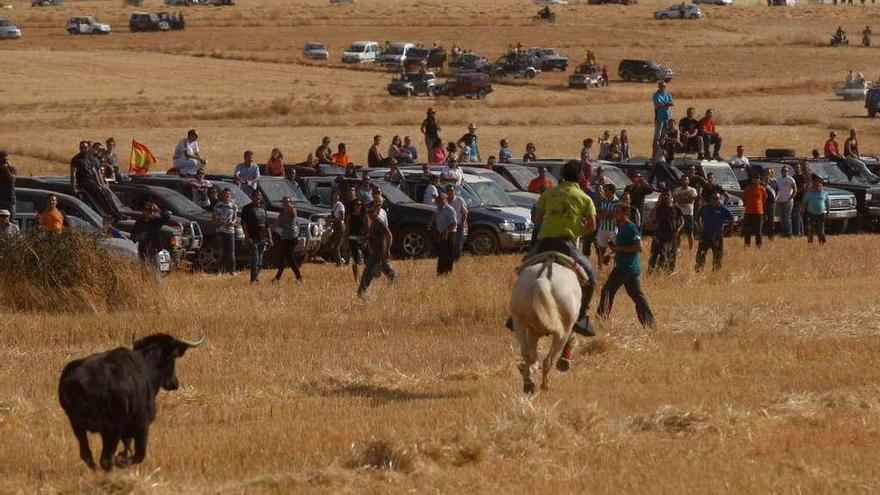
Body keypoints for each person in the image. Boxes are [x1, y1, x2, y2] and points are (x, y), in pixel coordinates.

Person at [507, 160, 597, 336]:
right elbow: (592, 226)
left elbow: (537, 220)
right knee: (591, 277)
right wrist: (575, 229)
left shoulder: (548, 193)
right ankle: (581, 317)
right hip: (566, 244)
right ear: (580, 177)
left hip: (544, 242)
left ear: (562, 176)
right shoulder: (585, 198)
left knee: (522, 269)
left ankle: (514, 315)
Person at [597, 203, 655, 328]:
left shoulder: (630, 227)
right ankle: (650, 323)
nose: (614, 214)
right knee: (637, 296)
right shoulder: (621, 227)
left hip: (625, 267)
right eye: (614, 211)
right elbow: (623, 248)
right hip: (629, 268)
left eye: (617, 211)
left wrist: (617, 248)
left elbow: (639, 247)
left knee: (607, 290)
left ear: (625, 214)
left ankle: (601, 320)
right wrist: (611, 254)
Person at [357, 200, 396, 297]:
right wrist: (366, 239)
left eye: (370, 212)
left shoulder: (379, 222)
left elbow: (389, 235)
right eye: (368, 212)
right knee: (387, 271)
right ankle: (397, 285)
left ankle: (361, 291)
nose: (369, 214)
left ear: (375, 211)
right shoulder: (372, 223)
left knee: (368, 272)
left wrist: (388, 250)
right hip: (375, 252)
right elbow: (373, 237)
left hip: (380, 252)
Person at [70, 141, 118, 219]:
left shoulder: (89, 159)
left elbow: (95, 172)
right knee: (98, 192)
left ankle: (116, 212)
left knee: (106, 193)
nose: (83, 149)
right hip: (83, 182)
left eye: (85, 147)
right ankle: (109, 213)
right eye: (82, 147)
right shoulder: (76, 159)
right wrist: (73, 188)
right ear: (79, 148)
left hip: (92, 181)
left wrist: (100, 183)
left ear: (88, 148)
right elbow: (73, 175)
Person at [695, 193, 734, 272]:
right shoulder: (706, 207)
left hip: (717, 235)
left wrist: (725, 231)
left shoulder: (722, 209)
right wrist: (700, 226)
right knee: (701, 254)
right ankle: (699, 270)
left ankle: (715, 273)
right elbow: (698, 216)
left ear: (720, 199)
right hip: (705, 234)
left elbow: (732, 219)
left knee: (717, 255)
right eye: (713, 198)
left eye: (717, 198)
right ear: (710, 199)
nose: (715, 200)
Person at [131, 202, 170, 278]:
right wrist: (139, 236)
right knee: (144, 273)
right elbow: (132, 236)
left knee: (156, 273)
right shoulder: (139, 222)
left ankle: (156, 288)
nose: (150, 212)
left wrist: (158, 209)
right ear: (144, 211)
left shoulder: (157, 221)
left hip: (156, 251)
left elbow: (167, 216)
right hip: (143, 252)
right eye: (147, 210)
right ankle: (146, 287)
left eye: (152, 210)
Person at [647, 190, 683, 274]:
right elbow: (651, 217)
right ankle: (651, 272)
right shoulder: (659, 207)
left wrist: (678, 229)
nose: (666, 197)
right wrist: (658, 203)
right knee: (655, 255)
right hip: (659, 236)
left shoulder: (675, 208)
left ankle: (668, 274)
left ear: (671, 197)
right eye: (664, 195)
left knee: (671, 255)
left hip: (671, 237)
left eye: (668, 195)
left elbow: (682, 221)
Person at [241, 190, 272, 284]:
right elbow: (244, 223)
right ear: (252, 197)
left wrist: (270, 237)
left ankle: (255, 277)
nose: (258, 197)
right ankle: (253, 279)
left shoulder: (263, 208)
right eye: (256, 196)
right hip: (252, 237)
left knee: (260, 262)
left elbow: (267, 224)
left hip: (262, 237)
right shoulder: (247, 208)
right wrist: (247, 236)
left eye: (259, 195)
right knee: (255, 259)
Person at [272, 196, 303, 283]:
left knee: (290, 258)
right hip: (285, 238)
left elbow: (292, 211)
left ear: (290, 203)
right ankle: (277, 278)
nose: (285, 204)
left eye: (287, 202)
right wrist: (269, 229)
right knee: (282, 258)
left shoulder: (292, 211)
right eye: (283, 202)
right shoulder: (282, 214)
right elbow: (276, 224)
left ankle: (299, 277)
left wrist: (289, 205)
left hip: (292, 238)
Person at [212, 188, 238, 275]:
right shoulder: (217, 206)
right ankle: (218, 270)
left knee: (231, 253)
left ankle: (232, 270)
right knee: (221, 252)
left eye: (228, 194)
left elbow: (235, 218)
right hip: (220, 231)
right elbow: (213, 218)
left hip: (230, 231)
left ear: (230, 195)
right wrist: (218, 223)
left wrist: (232, 223)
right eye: (225, 194)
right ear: (222, 195)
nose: (227, 195)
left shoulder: (233, 206)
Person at [432, 192, 458, 275]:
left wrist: (447, 232)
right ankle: (440, 272)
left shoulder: (450, 209)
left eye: (440, 200)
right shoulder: (438, 208)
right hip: (441, 233)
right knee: (441, 253)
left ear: (445, 200)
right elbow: (436, 216)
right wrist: (430, 222)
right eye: (437, 200)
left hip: (449, 234)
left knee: (448, 253)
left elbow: (454, 223)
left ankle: (448, 272)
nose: (437, 202)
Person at [802, 176, 830, 244]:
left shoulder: (825, 194)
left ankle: (822, 242)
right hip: (811, 213)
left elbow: (827, 204)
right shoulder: (809, 193)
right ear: (814, 186)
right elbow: (804, 202)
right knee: (811, 229)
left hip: (821, 214)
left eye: (820, 186)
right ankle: (810, 242)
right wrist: (802, 211)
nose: (818, 187)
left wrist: (828, 213)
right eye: (817, 185)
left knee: (821, 230)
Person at [595, 183, 618, 267]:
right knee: (601, 250)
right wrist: (607, 214)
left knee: (616, 249)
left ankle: (615, 266)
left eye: (606, 190)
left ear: (611, 191)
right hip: (602, 228)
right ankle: (600, 268)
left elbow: (613, 216)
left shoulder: (617, 201)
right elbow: (598, 214)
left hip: (612, 229)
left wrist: (604, 214)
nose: (604, 192)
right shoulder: (603, 201)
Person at [673, 176, 698, 249]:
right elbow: (675, 200)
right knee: (678, 232)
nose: (684, 181)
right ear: (681, 181)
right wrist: (686, 199)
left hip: (688, 213)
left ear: (688, 181)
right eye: (683, 180)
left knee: (690, 232)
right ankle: (677, 248)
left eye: (686, 180)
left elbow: (691, 200)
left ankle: (691, 248)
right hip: (679, 213)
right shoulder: (677, 190)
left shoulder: (692, 190)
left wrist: (681, 199)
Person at [346, 198, 367, 282]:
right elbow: (347, 227)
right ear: (353, 206)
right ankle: (356, 279)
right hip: (352, 239)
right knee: (354, 261)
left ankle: (364, 277)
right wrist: (345, 238)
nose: (358, 206)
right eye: (356, 204)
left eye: (359, 204)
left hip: (362, 239)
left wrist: (366, 240)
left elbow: (367, 228)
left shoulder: (364, 216)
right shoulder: (350, 216)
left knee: (363, 260)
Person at [742, 175, 766, 247]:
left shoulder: (762, 189)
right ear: (752, 180)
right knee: (747, 230)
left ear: (759, 180)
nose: (756, 180)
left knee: (758, 231)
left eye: (757, 178)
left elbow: (764, 199)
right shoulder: (747, 188)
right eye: (754, 178)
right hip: (748, 212)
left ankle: (758, 246)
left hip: (759, 212)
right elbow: (744, 198)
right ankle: (747, 245)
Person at [774, 165, 797, 238]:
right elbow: (776, 190)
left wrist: (790, 198)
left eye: (786, 171)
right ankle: (783, 233)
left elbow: (795, 190)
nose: (785, 172)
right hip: (780, 201)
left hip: (788, 201)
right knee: (782, 218)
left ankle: (789, 233)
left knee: (787, 217)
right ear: (781, 172)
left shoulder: (790, 179)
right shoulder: (778, 179)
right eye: (783, 171)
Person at [446, 185, 468, 260]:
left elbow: (465, 212)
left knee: (458, 243)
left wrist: (462, 223)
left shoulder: (459, 200)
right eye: (448, 190)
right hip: (448, 225)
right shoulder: (445, 201)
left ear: (454, 191)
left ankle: (456, 259)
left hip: (458, 225)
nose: (450, 192)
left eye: (451, 190)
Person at [652, 81, 674, 147]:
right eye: (661, 86)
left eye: (664, 86)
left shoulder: (668, 94)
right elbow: (658, 104)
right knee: (657, 134)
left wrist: (664, 102)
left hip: (667, 116)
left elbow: (672, 103)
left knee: (665, 133)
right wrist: (667, 103)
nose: (663, 87)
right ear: (659, 86)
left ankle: (664, 148)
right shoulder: (656, 95)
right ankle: (655, 150)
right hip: (659, 116)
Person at [328, 190, 346, 265]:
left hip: (340, 227)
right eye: (334, 195)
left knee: (336, 246)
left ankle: (339, 263)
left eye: (337, 195)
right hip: (335, 227)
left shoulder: (340, 205)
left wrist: (331, 220)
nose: (335, 197)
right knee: (329, 245)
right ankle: (338, 260)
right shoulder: (334, 205)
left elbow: (342, 218)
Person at [0, 151, 17, 218]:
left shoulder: (11, 169)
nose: (3, 162)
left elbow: (12, 179)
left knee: (11, 219)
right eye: (1, 160)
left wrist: (6, 169)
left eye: (5, 160)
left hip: (9, 200)